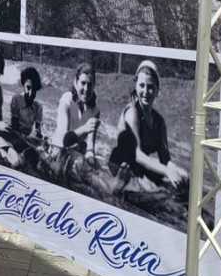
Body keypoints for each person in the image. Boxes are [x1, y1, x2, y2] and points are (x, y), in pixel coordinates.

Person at [109, 60, 187, 188]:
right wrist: (167, 171)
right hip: (121, 166)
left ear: (157, 90)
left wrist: (176, 170)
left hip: (140, 166)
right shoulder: (132, 113)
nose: (146, 91)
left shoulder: (159, 121)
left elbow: (165, 159)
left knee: (181, 183)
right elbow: (137, 155)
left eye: (150, 87)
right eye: (142, 86)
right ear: (136, 86)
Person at [49, 62, 101, 179]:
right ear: (75, 82)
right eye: (83, 83)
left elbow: (90, 146)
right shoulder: (67, 100)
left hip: (78, 151)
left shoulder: (95, 110)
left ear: (94, 85)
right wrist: (85, 129)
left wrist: (91, 157)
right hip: (59, 151)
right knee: (82, 167)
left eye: (90, 84)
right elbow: (64, 140)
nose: (86, 89)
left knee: (98, 168)